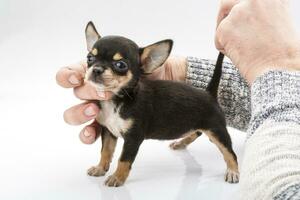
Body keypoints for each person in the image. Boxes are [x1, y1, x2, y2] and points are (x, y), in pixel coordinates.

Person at [56, 0, 300, 199]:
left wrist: (277, 65)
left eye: (119, 65)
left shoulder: (135, 110)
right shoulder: (101, 105)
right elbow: (109, 132)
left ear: (148, 63)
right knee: (108, 131)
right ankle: (106, 163)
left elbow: (132, 141)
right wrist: (102, 165)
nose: (98, 69)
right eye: (92, 60)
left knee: (215, 131)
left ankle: (232, 163)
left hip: (200, 111)